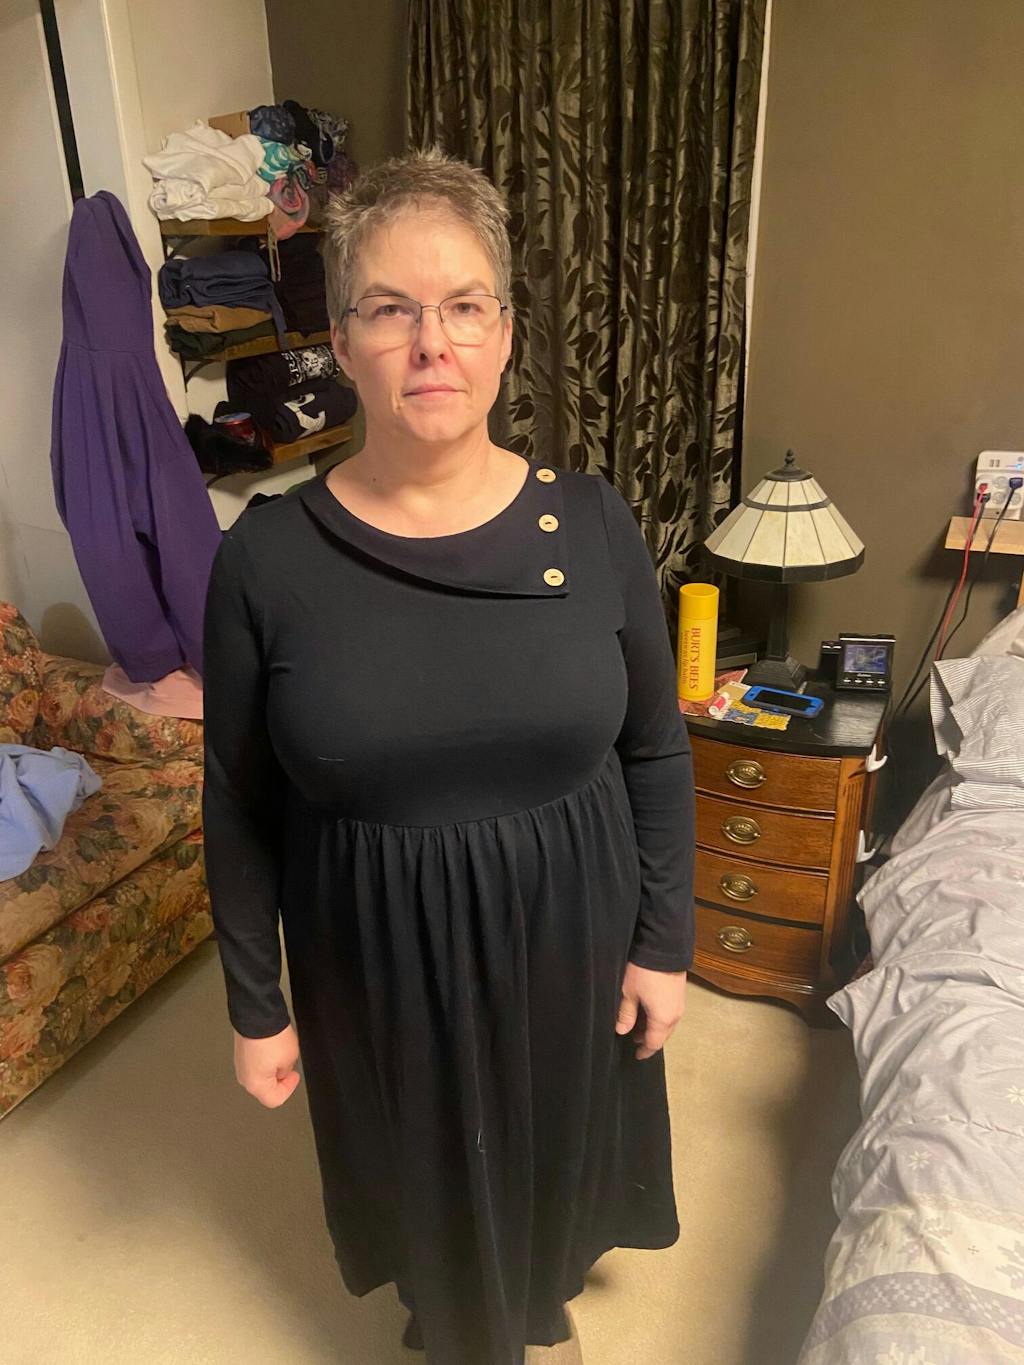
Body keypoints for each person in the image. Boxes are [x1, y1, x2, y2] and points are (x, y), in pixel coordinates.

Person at [202, 146, 696, 1365]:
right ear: (341, 340)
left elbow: (653, 748)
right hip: (372, 958)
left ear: (505, 334)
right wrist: (257, 1006)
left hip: (572, 932)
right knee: (423, 1188)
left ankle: (536, 1293)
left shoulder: (593, 521)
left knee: (555, 1161)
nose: (433, 343)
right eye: (390, 309)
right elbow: (237, 801)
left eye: (465, 306)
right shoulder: (266, 559)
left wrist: (662, 942)